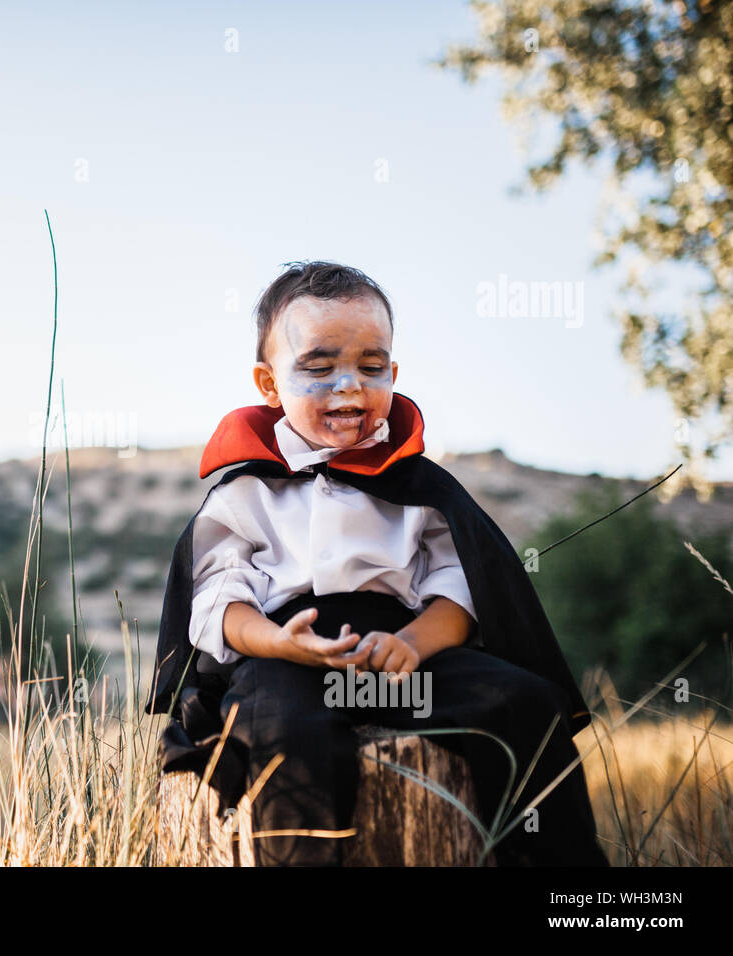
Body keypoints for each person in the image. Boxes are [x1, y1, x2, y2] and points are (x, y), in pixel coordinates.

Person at [146, 260, 609, 867]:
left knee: (522, 703)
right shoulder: (245, 492)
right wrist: (278, 642)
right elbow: (216, 600)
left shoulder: (418, 487)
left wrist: (415, 643)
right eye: (318, 367)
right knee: (280, 729)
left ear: (393, 372)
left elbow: (460, 587)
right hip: (290, 661)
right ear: (268, 384)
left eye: (371, 367)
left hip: (403, 666)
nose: (349, 386)